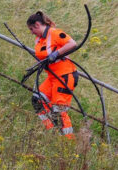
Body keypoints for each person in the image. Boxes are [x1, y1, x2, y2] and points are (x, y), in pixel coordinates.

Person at [27, 11, 79, 139]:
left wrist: (56, 54)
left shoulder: (55, 33)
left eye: (32, 29)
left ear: (38, 24)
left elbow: (72, 43)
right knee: (37, 101)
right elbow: (42, 55)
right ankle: (52, 132)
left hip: (65, 76)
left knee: (59, 110)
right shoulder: (38, 39)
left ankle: (67, 141)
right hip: (52, 77)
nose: (31, 32)